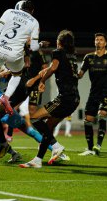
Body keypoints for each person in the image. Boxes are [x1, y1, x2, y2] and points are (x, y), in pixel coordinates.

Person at [19, 30, 80, 168]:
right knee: (49, 127)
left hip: (64, 98)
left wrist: (42, 80)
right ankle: (38, 160)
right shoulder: (73, 56)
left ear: (60, 42)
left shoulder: (58, 52)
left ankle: (56, 146)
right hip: (74, 99)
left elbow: (53, 68)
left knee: (34, 117)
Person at [0, 0, 41, 115]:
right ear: (32, 11)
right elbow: (33, 47)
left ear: (20, 7)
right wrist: (40, 45)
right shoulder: (34, 22)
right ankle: (6, 98)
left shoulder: (9, 12)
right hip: (14, 54)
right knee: (17, 74)